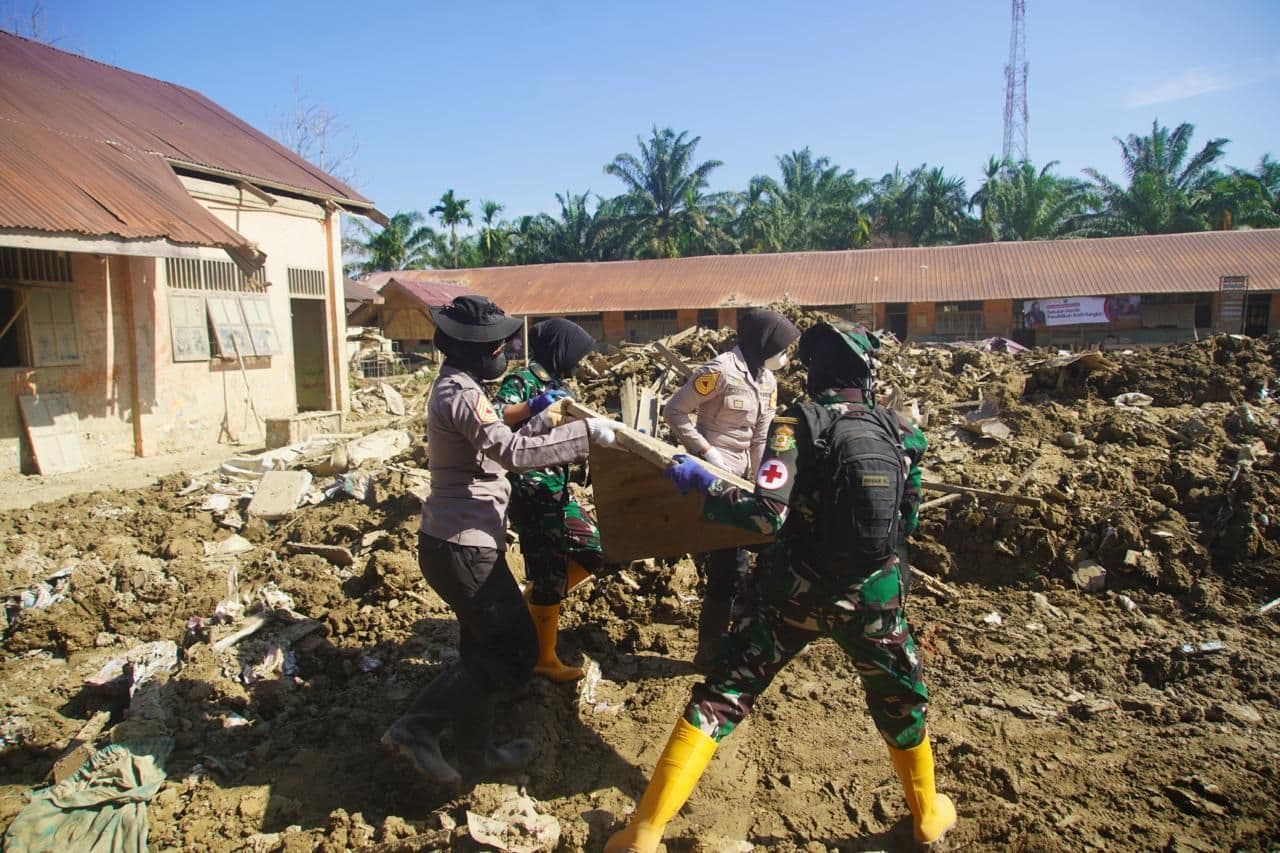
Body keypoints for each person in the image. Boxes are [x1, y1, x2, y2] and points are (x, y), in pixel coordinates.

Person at [605, 322, 954, 852]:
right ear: (867, 374)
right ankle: (928, 814)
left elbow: (766, 516)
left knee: (724, 695)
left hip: (792, 596)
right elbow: (906, 527)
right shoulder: (904, 434)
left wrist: (705, 486)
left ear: (814, 374)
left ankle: (645, 832)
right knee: (899, 699)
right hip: (875, 600)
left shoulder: (797, 425)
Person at [380, 296, 616, 785]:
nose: (507, 350)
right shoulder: (461, 392)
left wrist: (539, 416)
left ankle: (477, 755)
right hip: (462, 546)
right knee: (512, 652)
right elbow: (510, 453)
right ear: (476, 350)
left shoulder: (461, 385)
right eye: (499, 345)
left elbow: (491, 437)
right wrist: (585, 437)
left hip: (461, 539)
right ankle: (415, 728)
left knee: (480, 651)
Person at [663, 308, 800, 670]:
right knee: (728, 565)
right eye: (782, 348)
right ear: (763, 342)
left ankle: (741, 642)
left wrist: (763, 481)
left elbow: (761, 435)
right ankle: (709, 653)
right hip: (714, 479)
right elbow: (674, 411)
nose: (785, 356)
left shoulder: (767, 379)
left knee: (757, 561)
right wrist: (706, 452)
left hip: (745, 482)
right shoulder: (719, 371)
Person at [494, 318, 608, 682]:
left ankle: (534, 603)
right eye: (576, 353)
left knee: (594, 549)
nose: (579, 361)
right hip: (530, 488)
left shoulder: (559, 384)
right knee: (549, 570)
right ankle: (543, 656)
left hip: (556, 488)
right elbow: (497, 418)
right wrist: (534, 406)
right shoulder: (523, 382)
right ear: (560, 349)